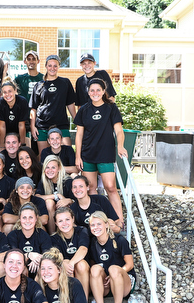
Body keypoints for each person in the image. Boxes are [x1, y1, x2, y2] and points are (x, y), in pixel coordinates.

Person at [74, 79, 126, 225]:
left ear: (103, 91)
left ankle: (119, 222)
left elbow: (119, 131)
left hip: (105, 154)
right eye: (92, 90)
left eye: (98, 90)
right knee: (91, 189)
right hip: (88, 155)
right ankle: (97, 223)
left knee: (110, 187)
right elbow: (79, 135)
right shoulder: (83, 109)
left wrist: (120, 146)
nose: (95, 93)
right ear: (88, 92)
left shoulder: (111, 108)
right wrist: (78, 156)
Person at [88, 211, 135, 303]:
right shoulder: (92, 243)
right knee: (94, 269)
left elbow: (130, 264)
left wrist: (114, 275)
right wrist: (105, 278)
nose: (96, 227)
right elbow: (96, 265)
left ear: (106, 225)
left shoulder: (119, 240)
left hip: (123, 282)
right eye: (92, 225)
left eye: (99, 224)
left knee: (113, 269)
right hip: (105, 285)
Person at [30, 54, 77, 153]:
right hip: (42, 126)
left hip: (61, 125)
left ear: (59, 66)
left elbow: (70, 104)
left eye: (55, 65)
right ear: (46, 66)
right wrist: (33, 126)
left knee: (67, 154)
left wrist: (76, 120)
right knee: (44, 159)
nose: (52, 68)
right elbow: (33, 108)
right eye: (50, 65)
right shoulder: (39, 85)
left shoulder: (65, 82)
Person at [50, 207, 90, 299]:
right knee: (64, 263)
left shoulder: (81, 231)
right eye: (60, 221)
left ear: (73, 219)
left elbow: (83, 249)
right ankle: (71, 302)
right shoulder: (54, 238)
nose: (64, 223)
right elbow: (57, 256)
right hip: (67, 273)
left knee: (81, 264)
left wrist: (71, 263)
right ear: (56, 223)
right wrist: (64, 262)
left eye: (67, 219)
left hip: (85, 276)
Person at [6, 203, 52, 274]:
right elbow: (11, 259)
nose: (27, 221)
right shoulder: (13, 235)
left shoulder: (43, 235)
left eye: (31, 217)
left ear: (36, 218)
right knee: (23, 269)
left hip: (38, 270)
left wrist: (37, 259)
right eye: (24, 217)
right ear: (19, 218)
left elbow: (48, 257)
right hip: (18, 271)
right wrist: (29, 255)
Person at [37, 155, 75, 233]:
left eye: (53, 167)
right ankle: (53, 235)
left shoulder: (67, 181)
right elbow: (37, 196)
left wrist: (69, 200)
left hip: (66, 214)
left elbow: (77, 200)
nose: (50, 170)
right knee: (49, 202)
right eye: (47, 167)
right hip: (51, 215)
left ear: (59, 168)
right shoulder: (43, 182)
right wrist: (56, 195)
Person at [0, 78, 29, 149]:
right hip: (6, 132)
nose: (7, 94)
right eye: (4, 92)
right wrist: (2, 146)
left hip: (20, 132)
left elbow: (21, 125)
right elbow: (2, 127)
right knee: (0, 152)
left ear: (15, 91)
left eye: (10, 91)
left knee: (25, 151)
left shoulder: (22, 101)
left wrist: (22, 145)